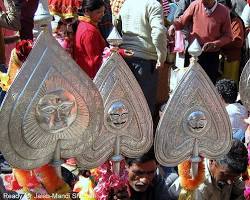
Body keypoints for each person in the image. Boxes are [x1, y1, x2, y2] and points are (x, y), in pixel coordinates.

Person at [119, 0, 167, 117]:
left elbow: (119, 28)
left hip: (125, 58)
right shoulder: (153, 5)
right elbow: (159, 33)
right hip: (145, 61)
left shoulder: (126, 4)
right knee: (144, 108)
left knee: (126, 106)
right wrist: (162, 57)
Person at [169, 0, 233, 84]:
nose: (202, 2)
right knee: (189, 83)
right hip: (193, 53)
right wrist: (174, 26)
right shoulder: (195, 5)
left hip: (211, 56)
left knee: (208, 85)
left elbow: (228, 36)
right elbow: (182, 20)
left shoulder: (224, 11)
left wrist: (215, 44)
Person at [171, 139, 248, 199]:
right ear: (212, 160)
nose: (230, 182)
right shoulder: (198, 187)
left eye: (234, 177)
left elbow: (240, 192)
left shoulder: (231, 170)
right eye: (225, 175)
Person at [109, 148, 178, 200]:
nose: (144, 180)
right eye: (138, 173)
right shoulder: (109, 185)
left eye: (150, 173)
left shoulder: (157, 181)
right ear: (126, 166)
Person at [73, 0, 106, 79]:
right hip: (91, 76)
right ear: (87, 11)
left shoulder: (85, 25)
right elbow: (94, 61)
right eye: (98, 12)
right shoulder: (88, 31)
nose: (102, 15)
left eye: (103, 12)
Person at [221, 0, 245, 83]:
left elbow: (238, 41)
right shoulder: (224, 21)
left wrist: (221, 43)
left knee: (230, 83)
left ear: (229, 9)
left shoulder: (235, 21)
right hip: (223, 58)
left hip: (232, 59)